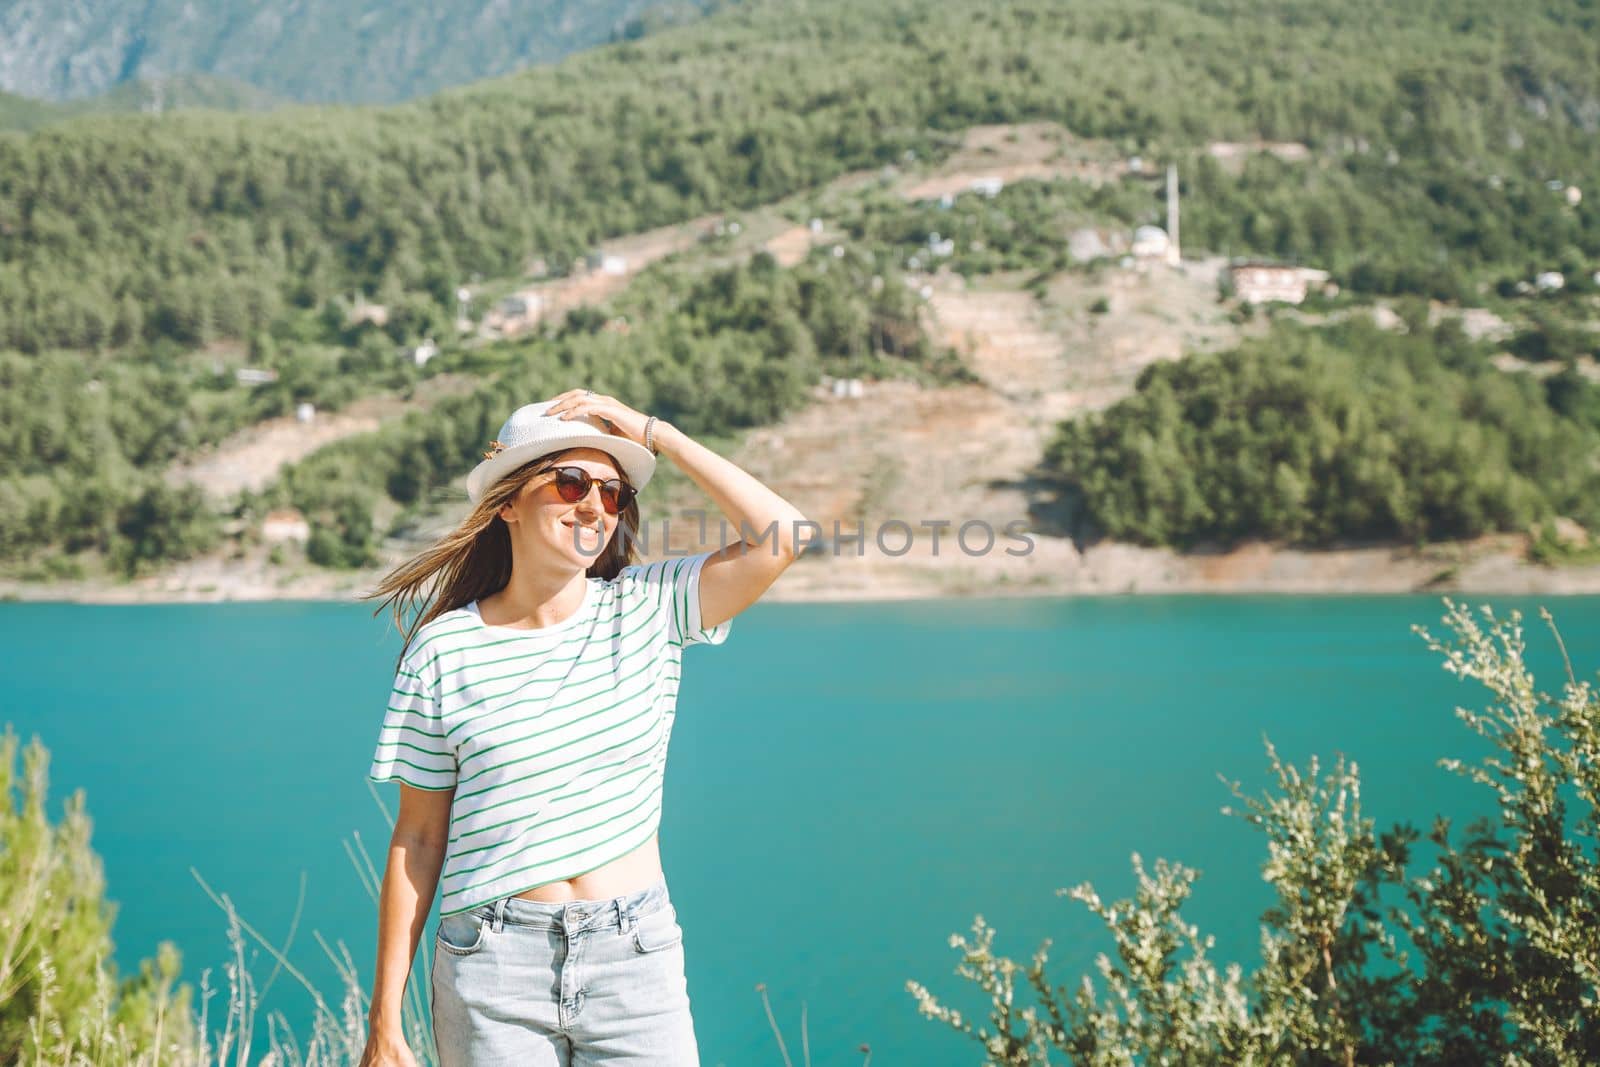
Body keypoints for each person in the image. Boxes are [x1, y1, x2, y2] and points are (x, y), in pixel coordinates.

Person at [357, 389, 808, 1066]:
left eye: (613, 490)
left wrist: (660, 433)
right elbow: (418, 837)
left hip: (635, 957)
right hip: (492, 965)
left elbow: (785, 536)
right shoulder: (444, 650)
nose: (594, 504)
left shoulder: (651, 607)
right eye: (569, 481)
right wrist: (383, 1020)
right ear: (506, 501)